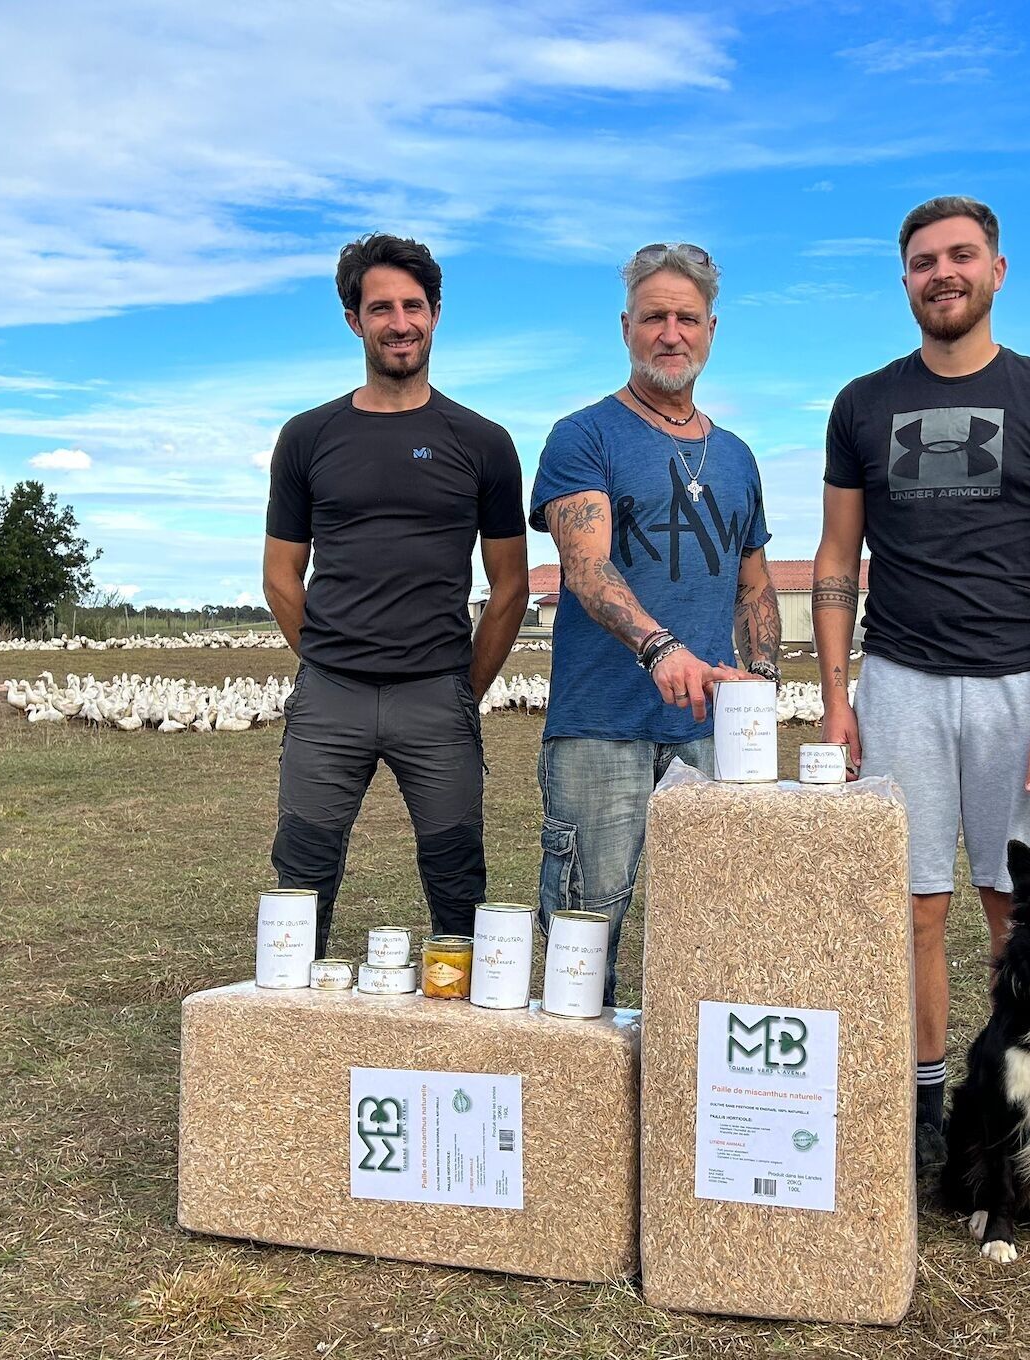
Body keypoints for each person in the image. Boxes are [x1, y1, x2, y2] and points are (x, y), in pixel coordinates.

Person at [811, 196, 1030, 1168]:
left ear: (997, 270)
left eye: (961, 255)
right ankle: (926, 1104)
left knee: (1022, 912)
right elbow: (836, 558)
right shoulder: (862, 404)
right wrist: (837, 698)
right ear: (904, 279)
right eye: (924, 260)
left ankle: (1024, 1100)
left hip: (1023, 687)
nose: (943, 273)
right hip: (902, 680)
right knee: (912, 908)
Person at [263, 232, 528, 956]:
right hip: (329, 702)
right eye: (381, 308)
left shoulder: (483, 441)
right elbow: (281, 576)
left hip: (437, 696)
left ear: (436, 314)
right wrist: (328, 659)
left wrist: (463, 688)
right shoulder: (307, 437)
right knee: (300, 881)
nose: (399, 322)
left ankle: (461, 1018)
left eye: (414, 306)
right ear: (355, 320)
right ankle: (290, 1017)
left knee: (458, 885)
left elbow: (511, 585)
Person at [529, 242, 780, 1005]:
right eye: (654, 318)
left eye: (687, 318)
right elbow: (586, 567)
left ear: (711, 330)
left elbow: (754, 585)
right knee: (585, 933)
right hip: (601, 728)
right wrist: (660, 647)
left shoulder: (737, 457)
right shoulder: (585, 436)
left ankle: (689, 1076)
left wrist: (760, 683)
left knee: (714, 929)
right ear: (626, 327)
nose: (671, 334)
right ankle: (575, 1075)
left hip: (708, 734)